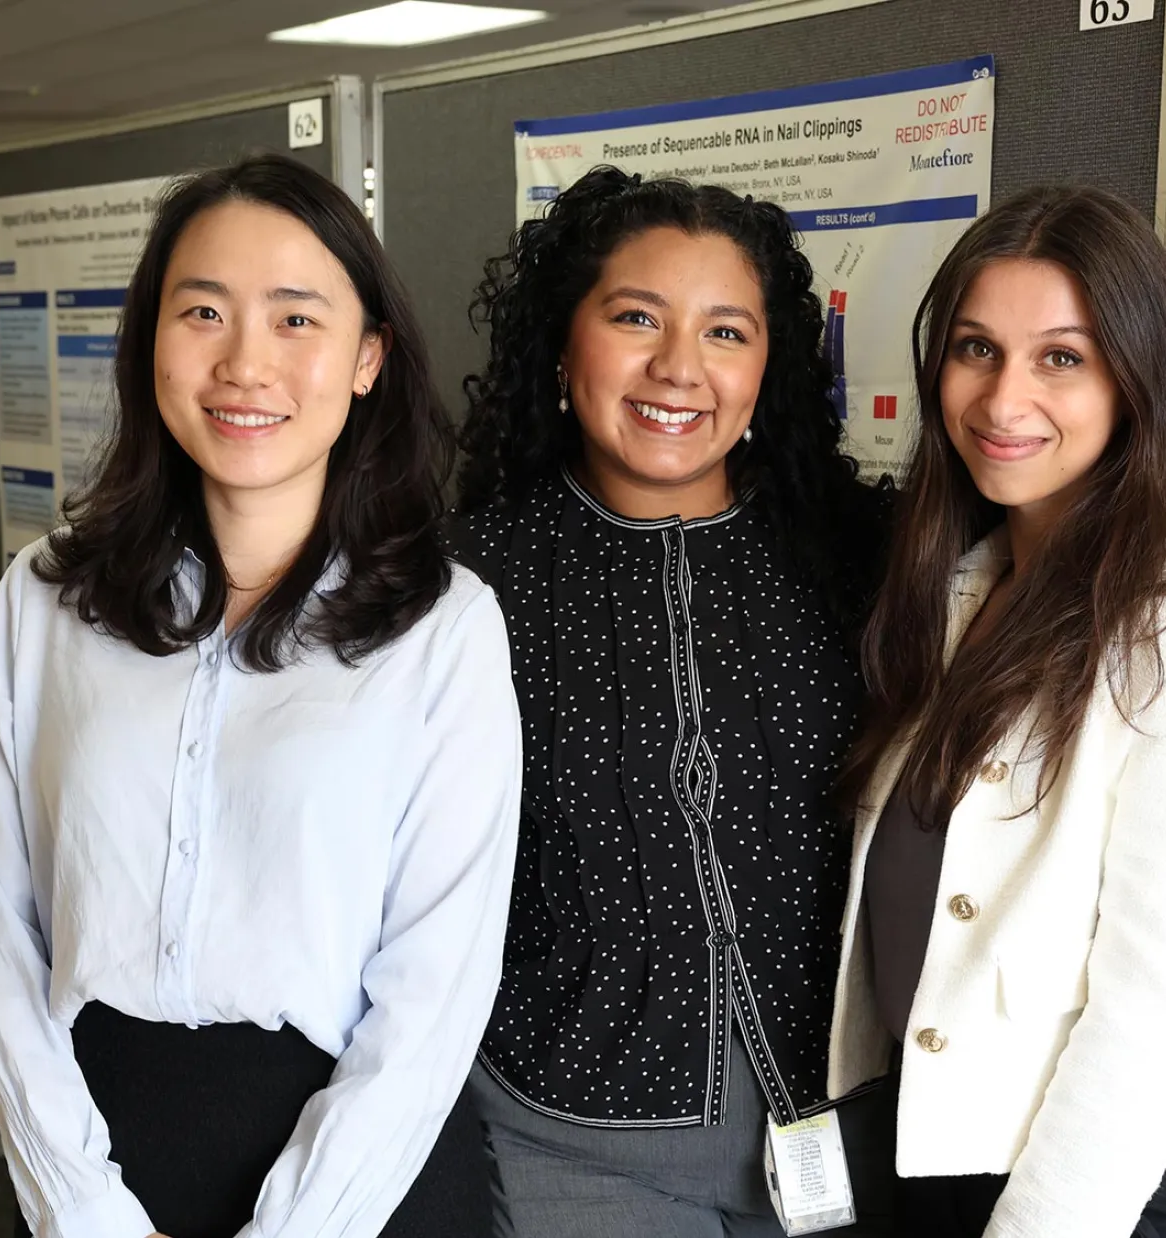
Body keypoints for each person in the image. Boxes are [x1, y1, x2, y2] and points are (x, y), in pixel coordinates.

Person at [0, 153, 521, 1238]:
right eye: (202, 311)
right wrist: (84, 1215)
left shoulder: (443, 627)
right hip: (89, 1156)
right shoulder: (43, 602)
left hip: (359, 1174)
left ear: (367, 359)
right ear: (149, 341)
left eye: (296, 320)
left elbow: (436, 981)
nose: (244, 364)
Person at [826, 185, 1166, 1238]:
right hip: (934, 1152)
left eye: (1061, 357)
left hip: (1102, 1186)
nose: (1004, 401)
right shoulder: (957, 592)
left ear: (1134, 380)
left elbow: (1153, 1014)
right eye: (974, 349)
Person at [448, 166, 893, 1237]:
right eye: (636, 317)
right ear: (564, 343)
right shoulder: (463, 585)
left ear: (769, 363)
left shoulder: (862, 559)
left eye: (725, 332)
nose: (677, 368)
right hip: (570, 1140)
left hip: (847, 1134)